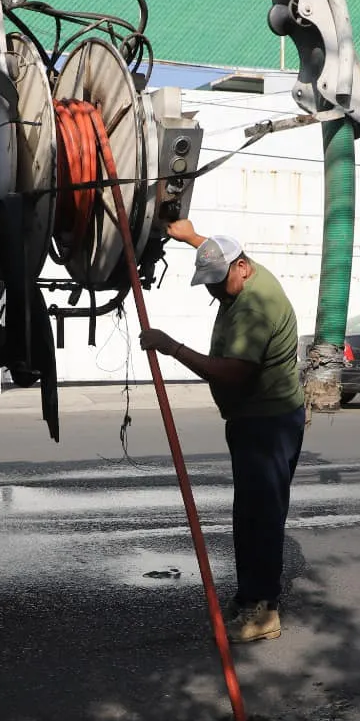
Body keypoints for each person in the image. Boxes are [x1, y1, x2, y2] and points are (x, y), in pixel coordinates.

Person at [139, 218, 305, 643]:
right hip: (256, 420)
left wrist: (171, 347)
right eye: (208, 282)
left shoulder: (255, 305)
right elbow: (218, 250)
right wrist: (191, 236)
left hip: (266, 423)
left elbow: (233, 374)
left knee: (261, 519)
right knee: (249, 515)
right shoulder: (246, 270)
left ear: (242, 267)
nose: (214, 291)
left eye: (218, 281)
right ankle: (250, 596)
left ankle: (264, 611)